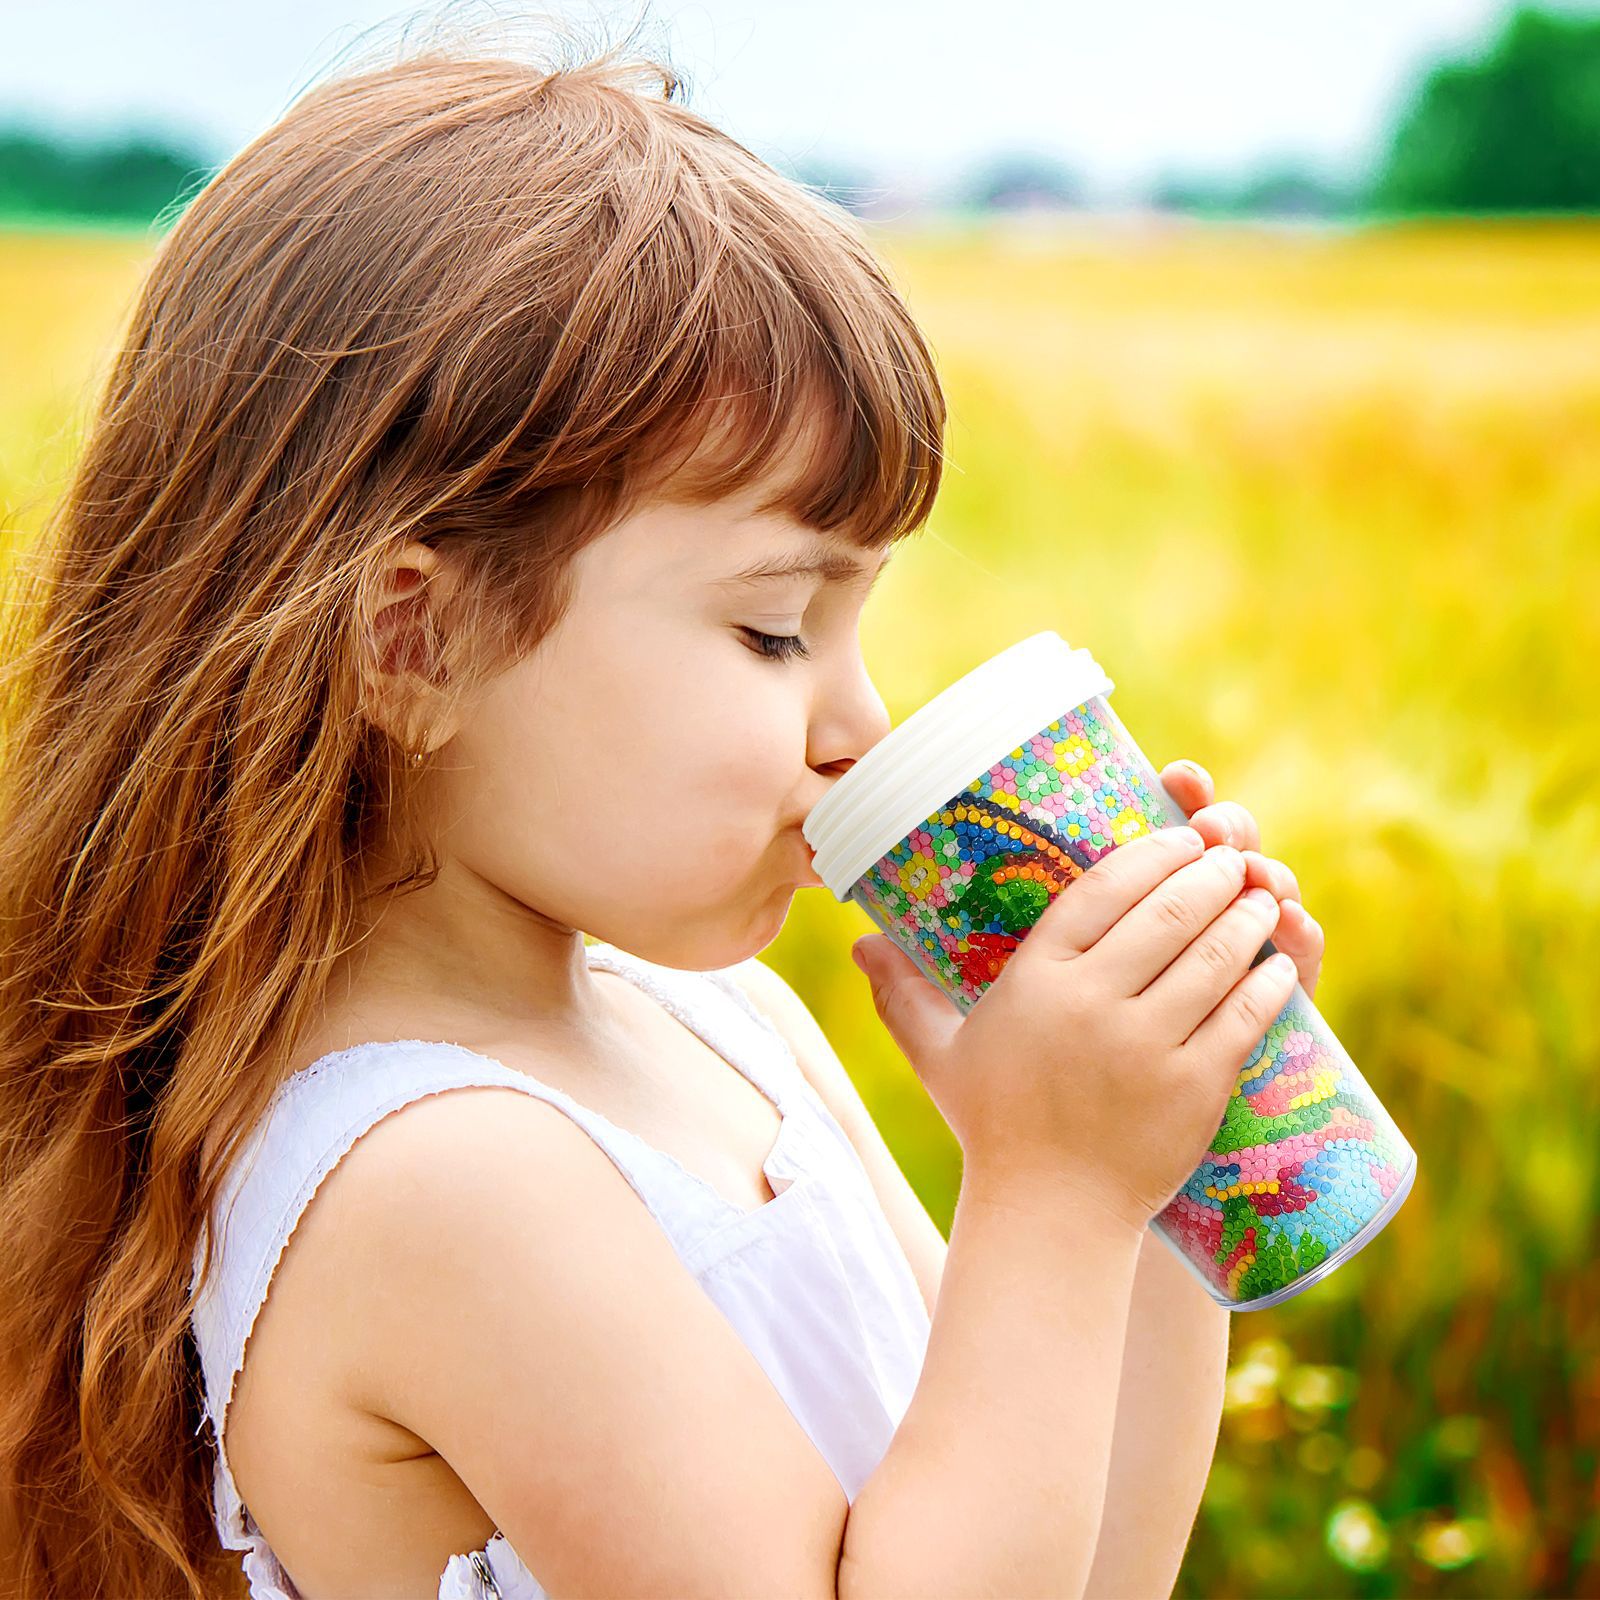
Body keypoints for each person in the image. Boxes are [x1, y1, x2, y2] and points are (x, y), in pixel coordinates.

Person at [0, 15, 1326, 1599]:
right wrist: (1051, 1196)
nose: (861, 727)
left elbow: (1086, 1571)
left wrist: (1161, 1169)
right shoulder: (443, 1184)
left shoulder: (730, 1032)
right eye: (773, 629)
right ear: (415, 644)